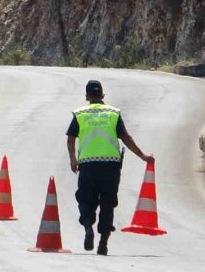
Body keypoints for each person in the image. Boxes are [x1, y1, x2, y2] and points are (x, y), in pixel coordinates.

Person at [66, 80, 154, 255]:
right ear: (103, 95)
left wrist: (73, 160)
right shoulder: (113, 113)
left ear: (87, 96)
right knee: (108, 203)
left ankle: (88, 228)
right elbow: (125, 137)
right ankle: (103, 243)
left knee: (86, 200)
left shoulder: (80, 114)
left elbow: (70, 138)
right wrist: (142, 156)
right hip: (111, 166)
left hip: (88, 165)